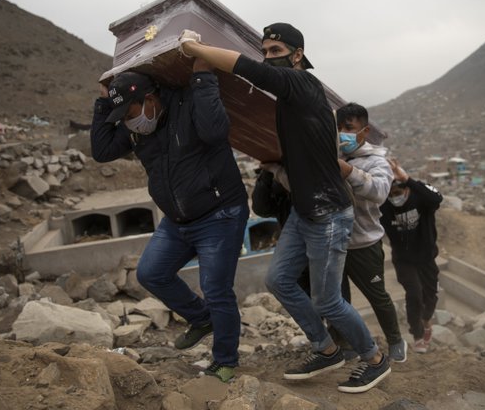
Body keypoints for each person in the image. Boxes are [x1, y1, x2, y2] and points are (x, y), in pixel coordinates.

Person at [179, 23, 390, 394]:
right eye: (266, 51)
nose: (269, 58)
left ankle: (374, 358)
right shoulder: (290, 98)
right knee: (278, 280)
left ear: (297, 56)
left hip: (328, 215)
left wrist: (196, 49)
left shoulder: (302, 84)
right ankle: (326, 349)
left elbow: (246, 68)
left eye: (276, 51)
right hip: (305, 212)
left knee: (328, 300)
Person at [90, 61, 249, 383]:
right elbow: (102, 150)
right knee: (151, 273)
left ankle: (226, 360)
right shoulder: (137, 128)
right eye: (124, 119)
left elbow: (217, 132)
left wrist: (203, 78)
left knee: (216, 288)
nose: (130, 123)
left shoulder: (188, 103)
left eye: (131, 113)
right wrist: (104, 101)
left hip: (220, 214)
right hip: (177, 221)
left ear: (150, 99)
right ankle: (202, 319)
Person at [336, 102, 407, 362]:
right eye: (339, 128)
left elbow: (378, 192)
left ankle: (395, 340)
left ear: (364, 131)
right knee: (337, 298)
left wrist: (350, 172)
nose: (342, 133)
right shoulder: (334, 156)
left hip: (364, 243)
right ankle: (345, 343)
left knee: (377, 296)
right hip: (334, 243)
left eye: (349, 128)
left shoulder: (376, 161)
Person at [379, 159, 444, 354]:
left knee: (430, 296)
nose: (394, 197)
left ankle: (425, 320)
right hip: (403, 259)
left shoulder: (420, 198)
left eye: (398, 193)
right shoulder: (385, 207)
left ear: (406, 189)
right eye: (390, 194)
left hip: (426, 257)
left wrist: (407, 179)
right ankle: (417, 335)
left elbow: (437, 199)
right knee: (414, 293)